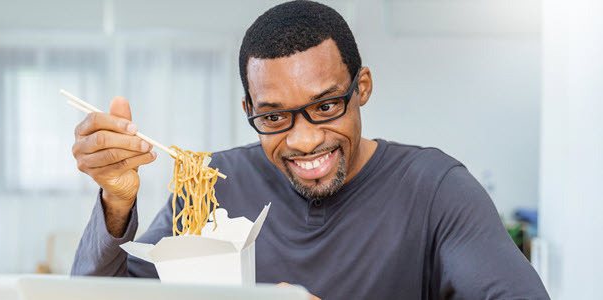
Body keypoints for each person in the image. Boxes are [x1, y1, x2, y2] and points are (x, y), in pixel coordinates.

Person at [70, 1, 549, 299]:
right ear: (249, 107)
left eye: (325, 106)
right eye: (274, 117)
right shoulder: (214, 181)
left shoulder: (435, 188)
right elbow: (108, 297)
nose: (303, 140)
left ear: (361, 87)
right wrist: (116, 202)